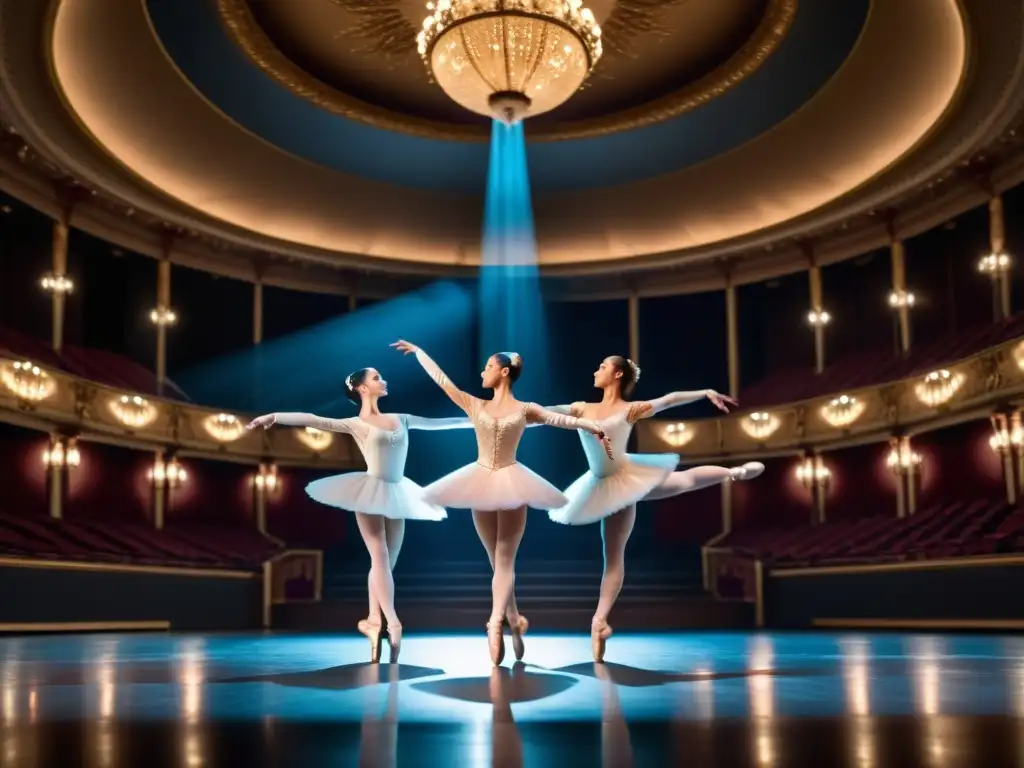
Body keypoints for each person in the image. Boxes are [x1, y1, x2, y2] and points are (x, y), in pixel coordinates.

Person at [391, 340, 613, 665]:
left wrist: (591, 425)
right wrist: (422, 353)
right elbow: (443, 382)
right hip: (479, 481)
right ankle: (514, 618)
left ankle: (495, 623)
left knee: (505, 559)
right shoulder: (474, 404)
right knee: (496, 562)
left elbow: (559, 420)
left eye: (489, 367)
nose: (483, 371)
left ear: (504, 372)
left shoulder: (526, 409)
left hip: (511, 481)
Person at [246, 367, 473, 663]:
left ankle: (373, 621)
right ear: (362, 388)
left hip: (398, 492)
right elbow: (313, 419)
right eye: (377, 378)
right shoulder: (355, 423)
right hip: (368, 490)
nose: (384, 380)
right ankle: (393, 622)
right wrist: (274, 417)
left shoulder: (401, 418)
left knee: (385, 565)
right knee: (379, 557)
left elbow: (444, 423)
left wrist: (484, 422)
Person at [545, 356, 764, 661]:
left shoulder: (629, 409)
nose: (595, 370)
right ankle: (600, 621)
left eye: (602, 367)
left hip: (627, 476)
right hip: (600, 484)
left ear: (617, 374)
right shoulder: (581, 408)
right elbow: (541, 413)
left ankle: (734, 473)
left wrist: (704, 392)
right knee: (613, 557)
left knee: (683, 481)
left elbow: (669, 399)